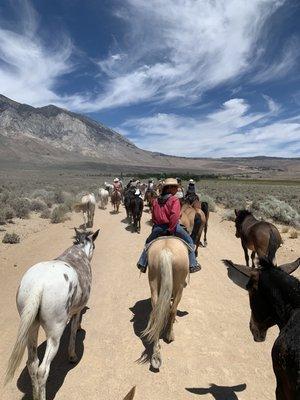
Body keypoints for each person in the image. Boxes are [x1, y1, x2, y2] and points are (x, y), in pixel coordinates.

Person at [137, 178, 201, 274]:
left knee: (148, 243)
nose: (177, 190)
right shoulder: (174, 199)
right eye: (175, 187)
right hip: (173, 227)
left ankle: (142, 263)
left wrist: (157, 225)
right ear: (170, 188)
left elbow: (153, 216)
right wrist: (171, 229)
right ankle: (192, 264)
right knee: (190, 241)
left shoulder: (156, 200)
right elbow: (174, 216)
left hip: (158, 228)